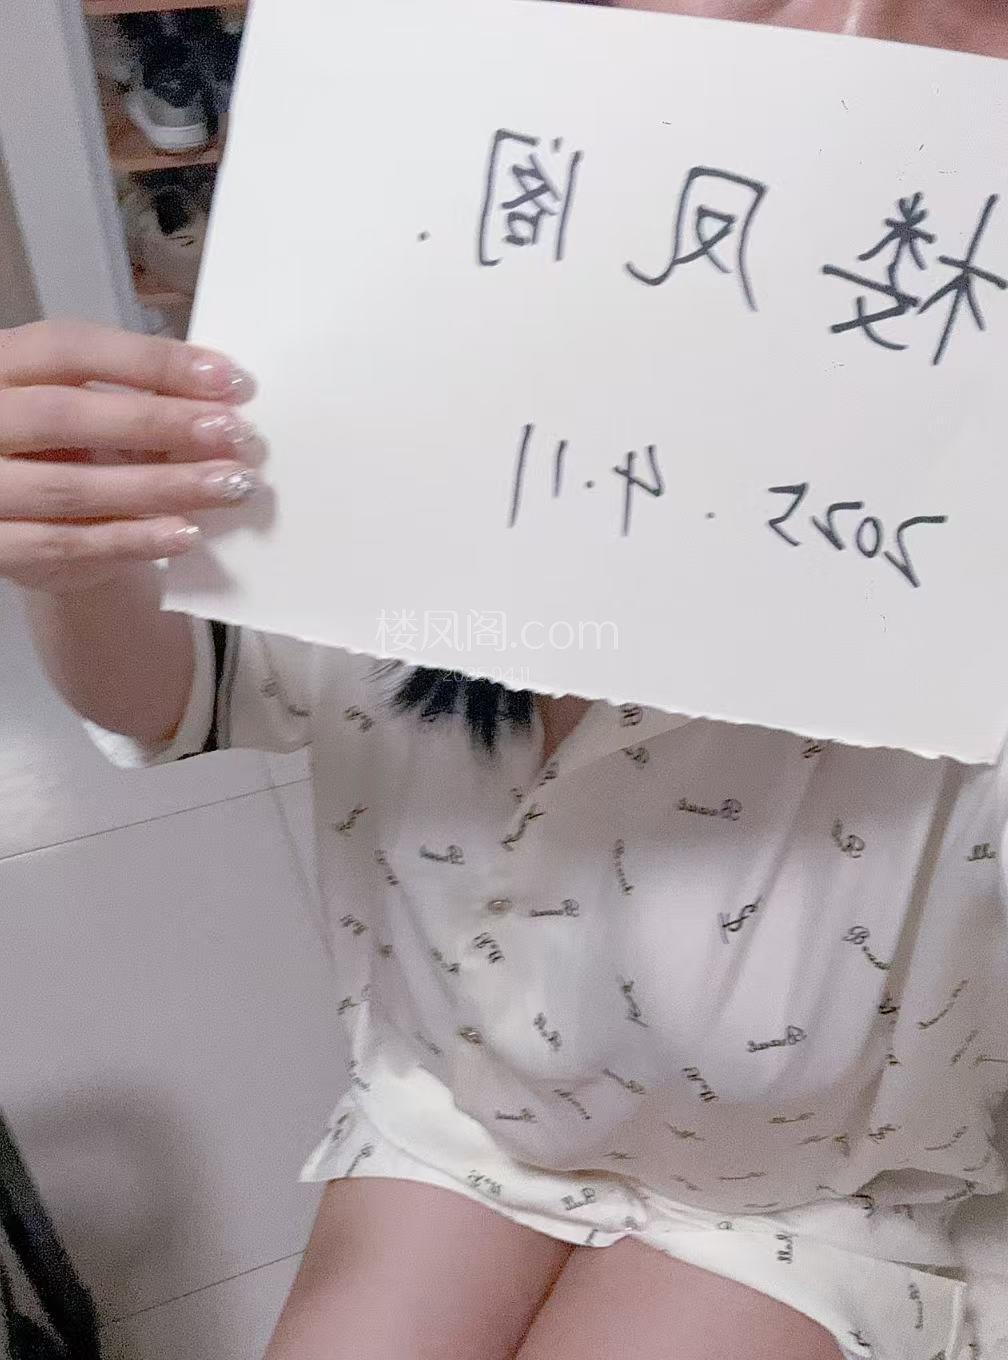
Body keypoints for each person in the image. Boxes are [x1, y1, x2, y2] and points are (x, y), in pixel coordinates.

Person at [2, 3, 1007, 1357]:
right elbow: (185, 689)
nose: (832, 43)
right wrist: (75, 557)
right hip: (463, 1102)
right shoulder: (431, 296)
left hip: (821, 1185)